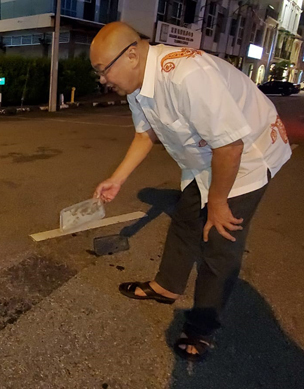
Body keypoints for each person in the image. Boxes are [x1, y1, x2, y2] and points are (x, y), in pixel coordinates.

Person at [90, 22, 292, 361]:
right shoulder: (138, 86)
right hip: (206, 159)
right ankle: (166, 286)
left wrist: (217, 202)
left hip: (246, 160)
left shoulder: (186, 74)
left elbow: (230, 146)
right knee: (185, 221)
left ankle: (202, 327)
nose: (102, 80)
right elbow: (146, 134)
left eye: (103, 70)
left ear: (133, 55)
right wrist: (118, 178)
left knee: (219, 242)